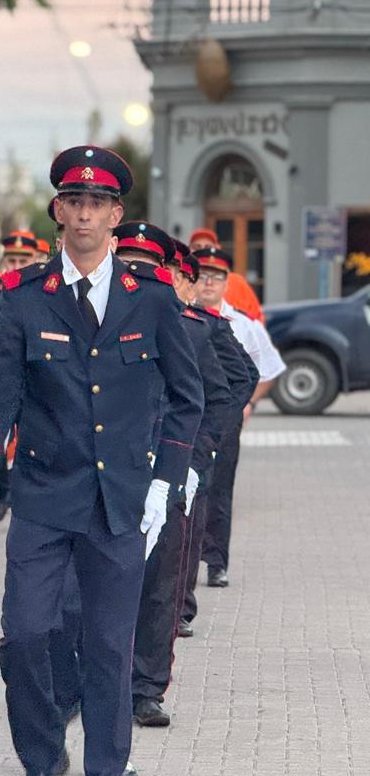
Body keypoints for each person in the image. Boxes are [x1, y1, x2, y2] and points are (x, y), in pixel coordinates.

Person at [0, 145, 203, 776]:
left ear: (117, 215)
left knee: (108, 654)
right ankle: (38, 758)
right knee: (25, 634)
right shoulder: (26, 298)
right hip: (44, 499)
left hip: (120, 504)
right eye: (73, 201)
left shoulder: (150, 298)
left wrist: (165, 479)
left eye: (99, 203)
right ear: (58, 210)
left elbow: (189, 399)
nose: (84, 212)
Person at [109, 223, 233, 730]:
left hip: (168, 475)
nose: (135, 273)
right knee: (105, 586)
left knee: (160, 588)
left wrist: (195, 462)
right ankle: (104, 684)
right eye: (129, 262)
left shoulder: (191, 327)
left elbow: (217, 399)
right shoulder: (94, 319)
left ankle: (146, 689)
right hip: (110, 475)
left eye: (146, 265)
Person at [169, 244, 257, 635]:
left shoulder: (209, 325)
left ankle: (182, 605)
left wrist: (217, 424)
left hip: (201, 436)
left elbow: (245, 377)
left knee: (197, 509)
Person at [191, 246, 285, 588]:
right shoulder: (183, 319)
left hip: (227, 420)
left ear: (226, 282)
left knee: (218, 490)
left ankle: (216, 561)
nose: (209, 284)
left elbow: (269, 371)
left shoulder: (243, 325)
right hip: (191, 417)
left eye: (216, 277)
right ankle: (187, 558)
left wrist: (248, 403)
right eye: (202, 276)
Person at [189, 228, 263, 321]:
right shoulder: (180, 279)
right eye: (197, 247)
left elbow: (256, 317)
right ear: (189, 249)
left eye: (207, 247)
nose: (203, 250)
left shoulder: (237, 282)